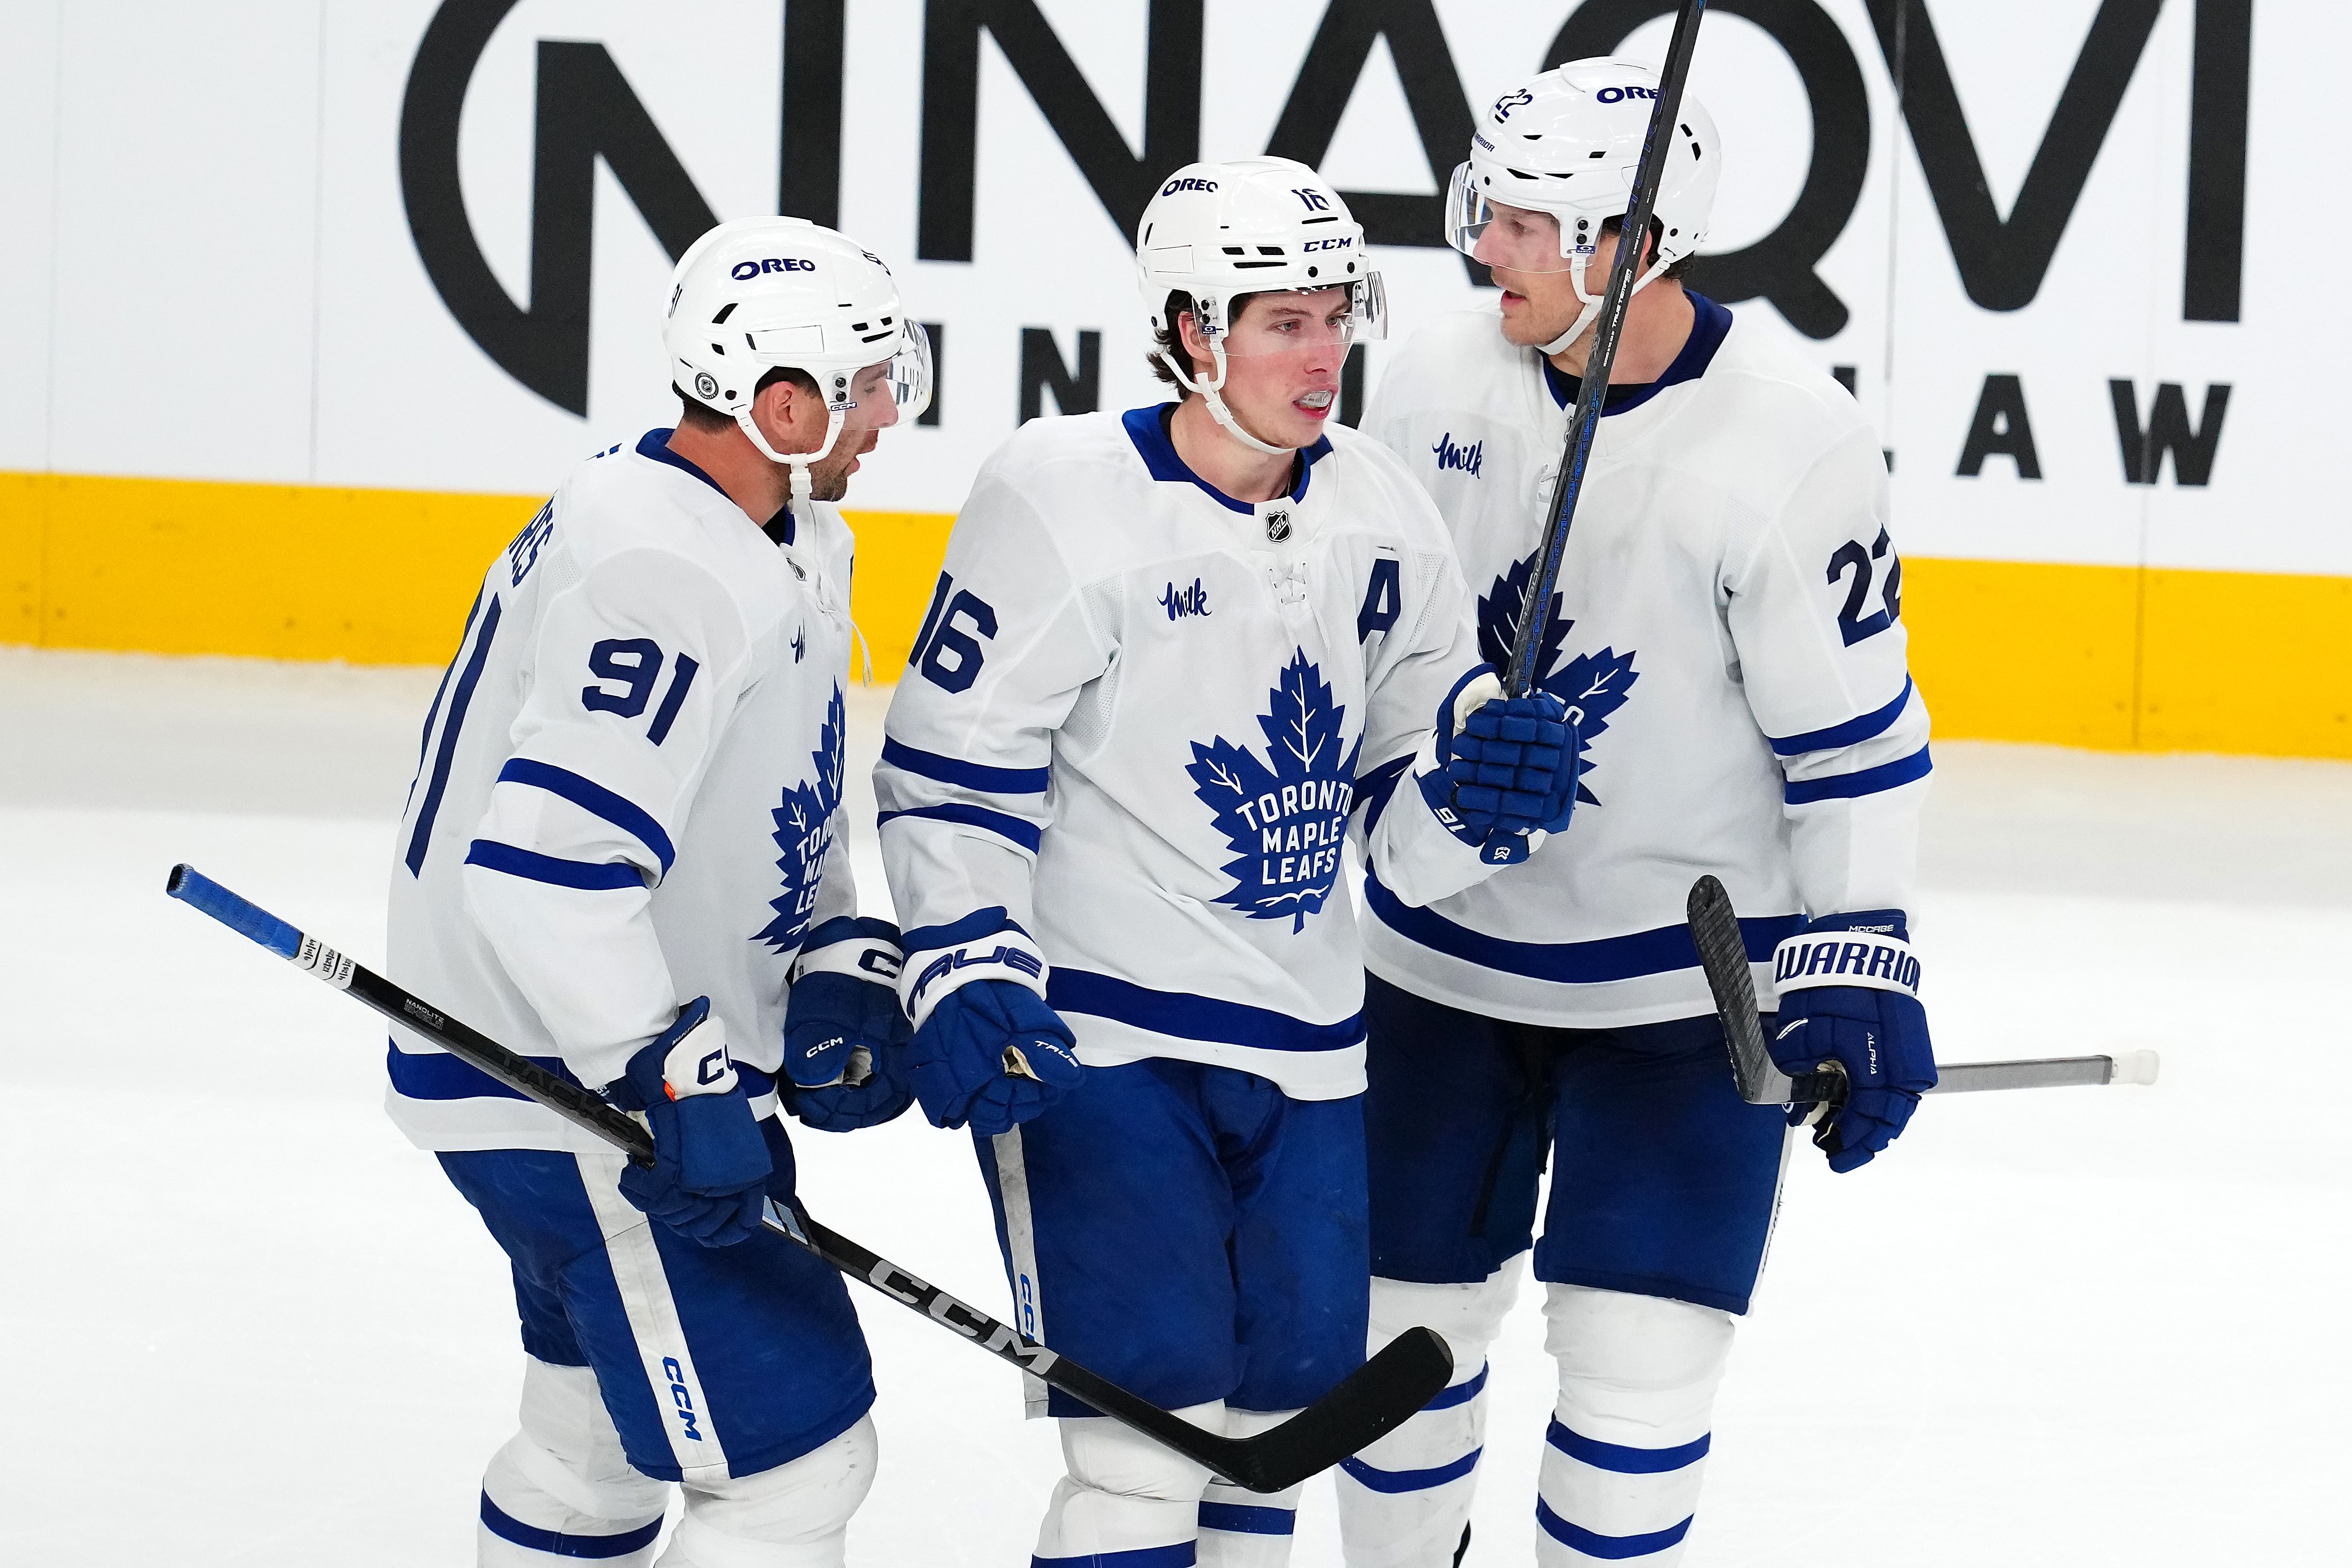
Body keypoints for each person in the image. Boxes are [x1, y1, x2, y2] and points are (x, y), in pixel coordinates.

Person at [874, 156, 1580, 1568]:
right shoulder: (1059, 495)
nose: (1325, 355)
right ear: (1192, 331)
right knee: (1142, 1452)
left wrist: (1481, 799)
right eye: (1283, 322)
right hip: (1100, 1034)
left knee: (1273, 1442)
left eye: (1337, 314)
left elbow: (1399, 821)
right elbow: (952, 764)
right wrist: (961, 955)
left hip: (1311, 1045)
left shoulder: (1382, 509)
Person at [1336, 60, 1936, 1567]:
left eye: (1534, 225)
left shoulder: (1794, 439)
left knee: (1639, 1362)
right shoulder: (1427, 386)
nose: (1489, 253)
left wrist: (1861, 944)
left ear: (1638, 241)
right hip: (1437, 966)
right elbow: (1379, 659)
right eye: (1495, 213)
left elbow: (1857, 735)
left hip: (1681, 997)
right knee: (1397, 1350)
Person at [384, 215, 931, 1568]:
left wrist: (835, 948)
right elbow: (545, 878)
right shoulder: (667, 575)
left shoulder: (768, 527)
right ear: (781, 402)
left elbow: (767, 796)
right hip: (571, 1084)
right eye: (867, 387)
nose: (887, 416)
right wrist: (676, 1078)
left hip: (568, 1064)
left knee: (591, 1434)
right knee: (792, 1468)